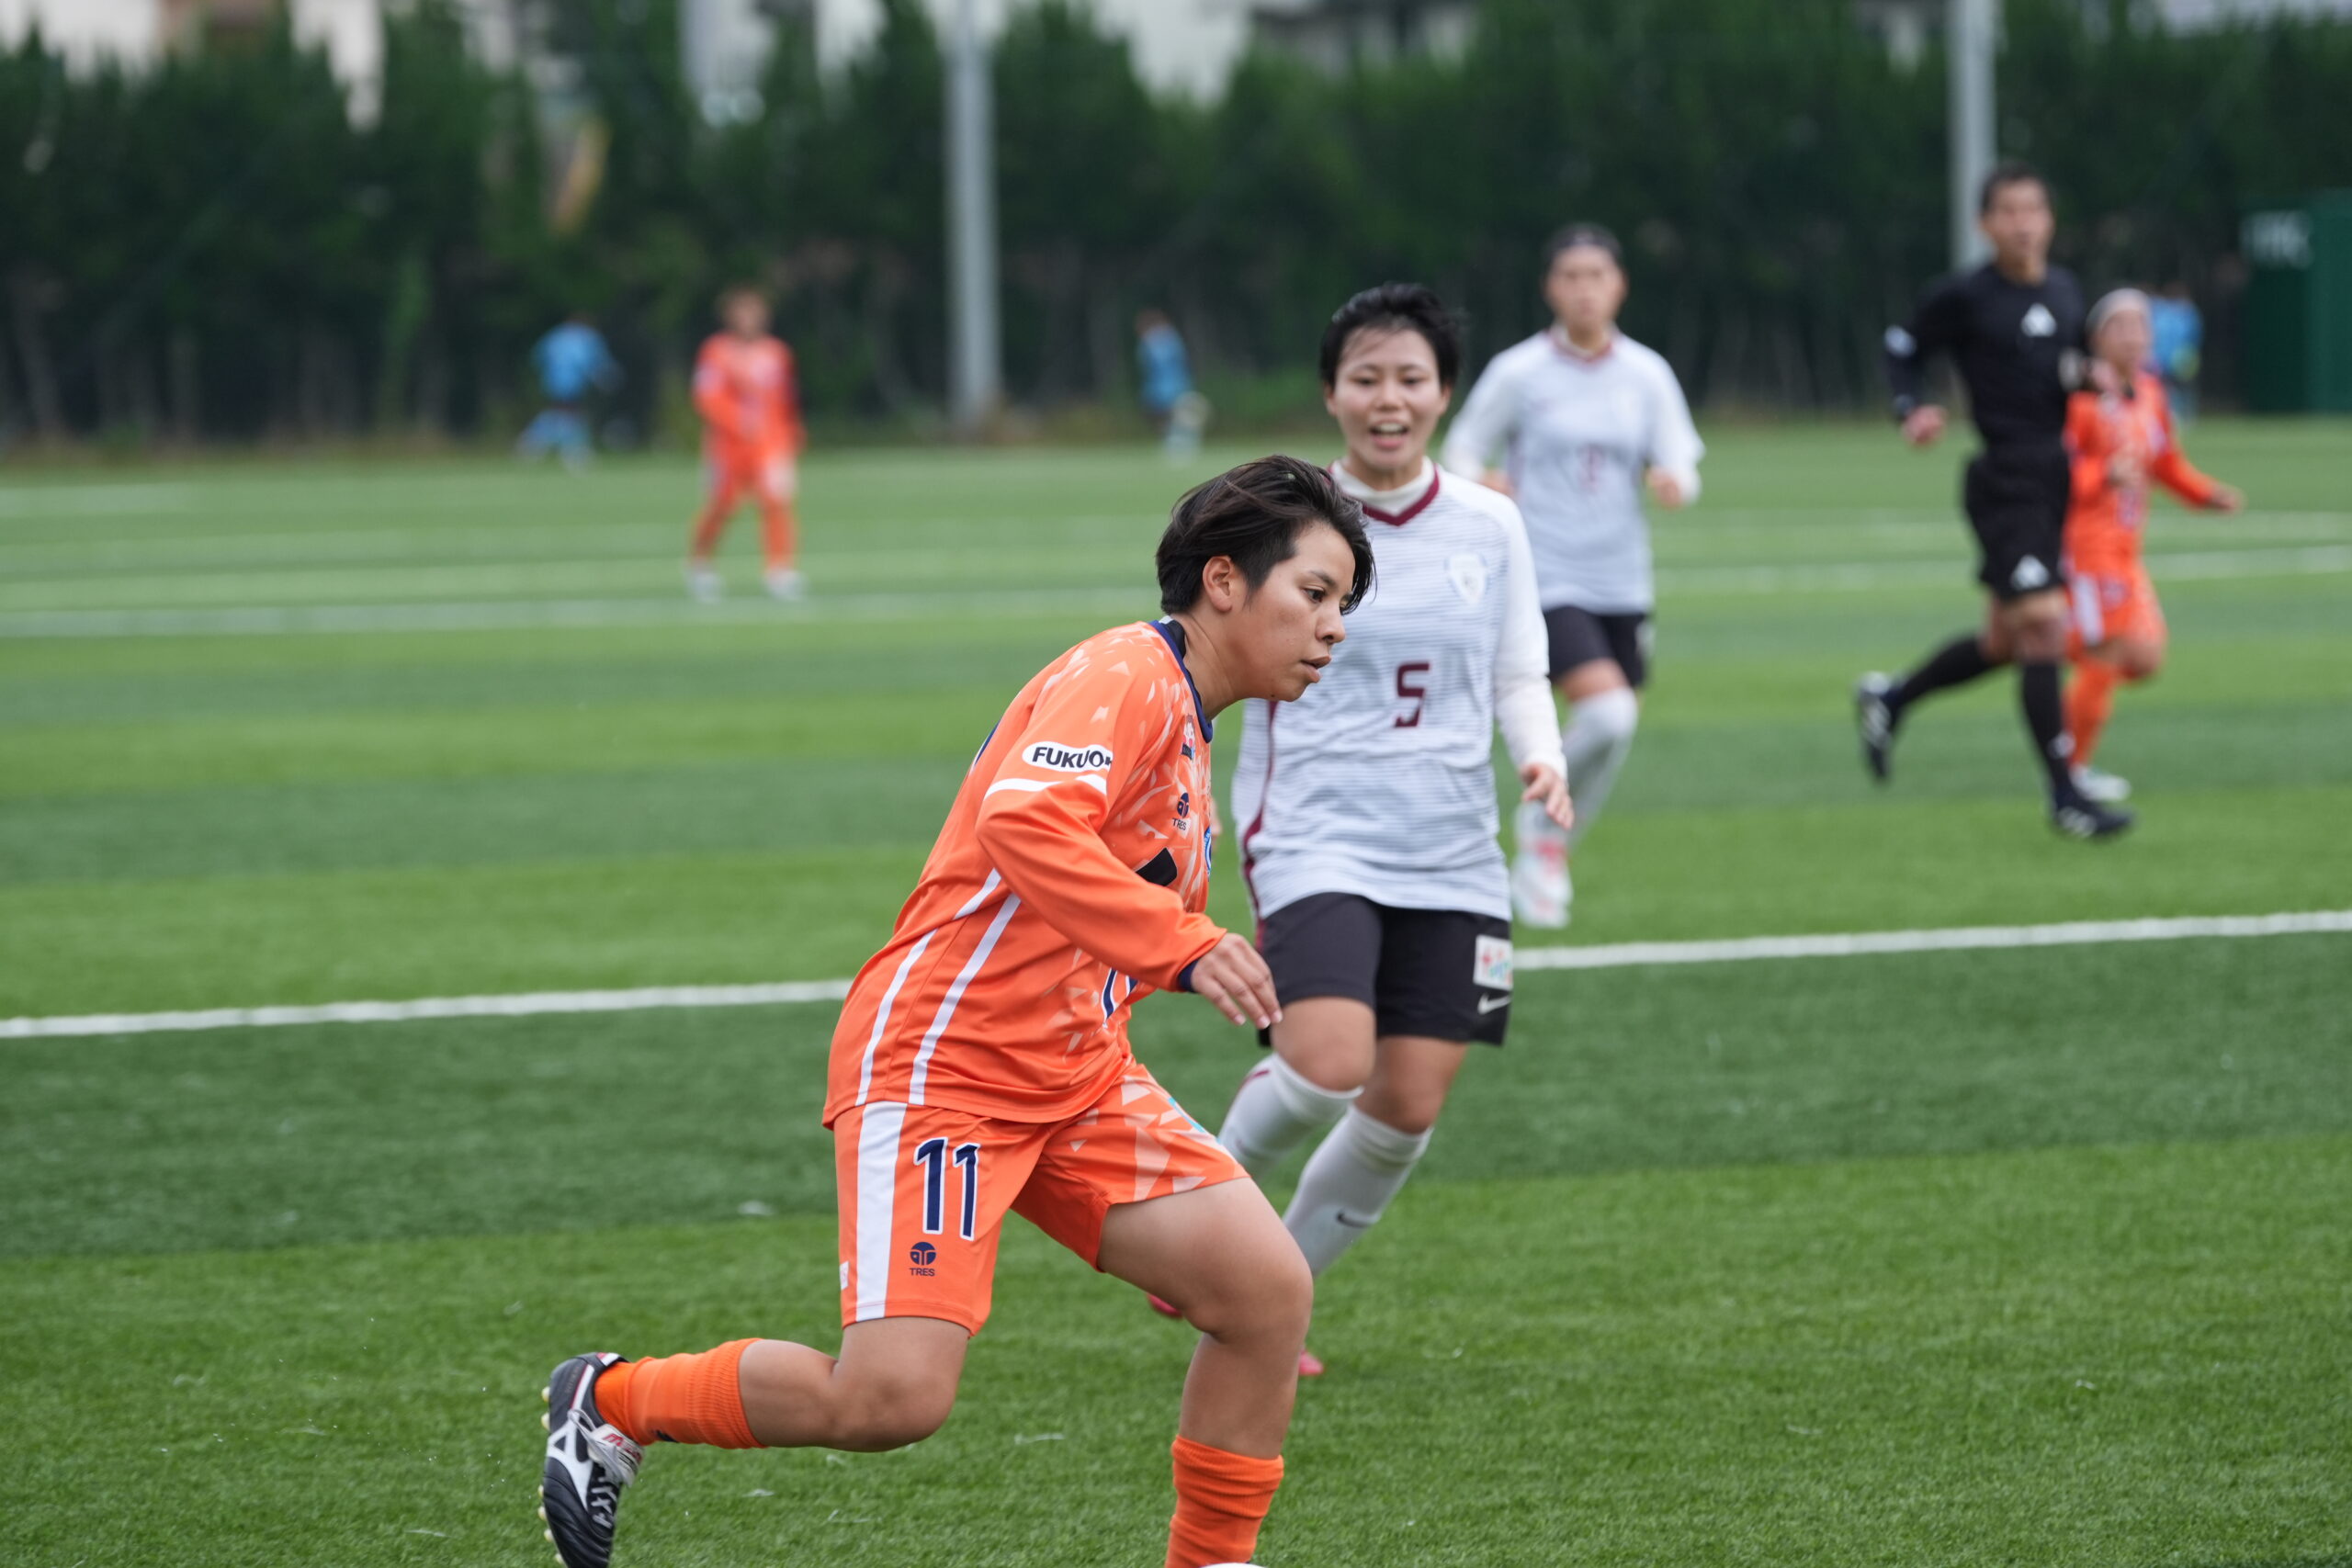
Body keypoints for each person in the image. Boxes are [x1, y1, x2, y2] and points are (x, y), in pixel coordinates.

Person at [537, 455, 1376, 1568]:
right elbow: (1027, 822)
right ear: (1224, 580)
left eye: (1342, 604)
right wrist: (1184, 942)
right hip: (944, 1068)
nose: (1333, 628)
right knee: (889, 1401)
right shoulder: (1126, 671)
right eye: (1314, 593)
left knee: (1265, 1294)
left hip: (1076, 1078)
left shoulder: (1186, 719)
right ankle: (612, 1402)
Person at [1196, 284, 1570, 1377]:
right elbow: (1206, 645)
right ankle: (1196, 1219)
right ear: (1331, 393)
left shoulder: (1490, 523)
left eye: (1411, 377)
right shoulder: (1279, 525)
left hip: (1454, 850)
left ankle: (1272, 1305)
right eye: (1365, 378)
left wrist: (1541, 755)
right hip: (1314, 832)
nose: (1388, 399)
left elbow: (1519, 669)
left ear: (1445, 393)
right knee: (1325, 1066)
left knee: (1406, 1105)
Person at [1855, 161, 2136, 840]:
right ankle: (2065, 794)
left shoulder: (2065, 291)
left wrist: (2093, 378)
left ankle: (1891, 697)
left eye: (2032, 210)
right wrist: (1912, 407)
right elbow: (1902, 347)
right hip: (2003, 480)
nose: (2022, 224)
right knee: (2045, 627)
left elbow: (2058, 367)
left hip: (2053, 478)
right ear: (1985, 224)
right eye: (2007, 211)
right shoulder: (1965, 295)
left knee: (2005, 643)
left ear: (2050, 220)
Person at [1440, 224, 1702, 928]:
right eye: (1571, 276)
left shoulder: (1646, 373)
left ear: (1620, 286)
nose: (1585, 289)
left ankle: (1548, 845)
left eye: (1598, 275)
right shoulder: (1521, 371)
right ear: (1550, 288)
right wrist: (1484, 477)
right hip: (1545, 573)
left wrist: (1674, 480)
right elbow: (1461, 448)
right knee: (1610, 714)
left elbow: (1682, 460)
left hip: (1624, 580)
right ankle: (1541, 829)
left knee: (1614, 729)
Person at [2061, 288, 2245, 802]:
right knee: (2105, 653)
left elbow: (2164, 462)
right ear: (2097, 338)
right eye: (2120, 326)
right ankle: (2069, 771)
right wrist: (2102, 476)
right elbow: (2057, 474)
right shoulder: (2081, 401)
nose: (2133, 336)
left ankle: (2061, 676)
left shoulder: (2149, 393)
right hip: (2088, 548)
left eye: (2140, 325)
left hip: (2126, 550)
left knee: (2144, 657)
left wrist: (2204, 494)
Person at [685, 287, 806, 603]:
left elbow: (786, 398)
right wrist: (737, 421)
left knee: (776, 502)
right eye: (743, 312)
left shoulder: (777, 352)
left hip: (769, 444)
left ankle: (780, 569)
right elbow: (706, 396)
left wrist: (791, 430)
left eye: (755, 312)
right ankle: (700, 563)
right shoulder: (716, 351)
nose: (749, 318)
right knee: (722, 505)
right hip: (728, 446)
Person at [517, 313, 621, 472]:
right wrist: (605, 379)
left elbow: (536, 358)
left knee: (561, 413)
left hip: (551, 382)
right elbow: (592, 363)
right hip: (573, 383)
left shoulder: (554, 336)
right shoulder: (585, 337)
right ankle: (568, 450)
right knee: (569, 414)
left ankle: (536, 443)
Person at [1137, 309, 1210, 460]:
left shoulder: (1158, 340)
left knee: (1173, 417)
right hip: (1171, 385)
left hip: (1167, 387)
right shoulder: (1169, 338)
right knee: (1173, 417)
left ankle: (1178, 446)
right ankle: (1177, 445)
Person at [2147, 280, 2204, 422]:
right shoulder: (2163, 312)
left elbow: (2193, 335)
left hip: (2182, 357)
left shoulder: (2186, 313)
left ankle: (2186, 414)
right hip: (2166, 358)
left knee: (2183, 386)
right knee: (2167, 385)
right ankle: (2173, 412)